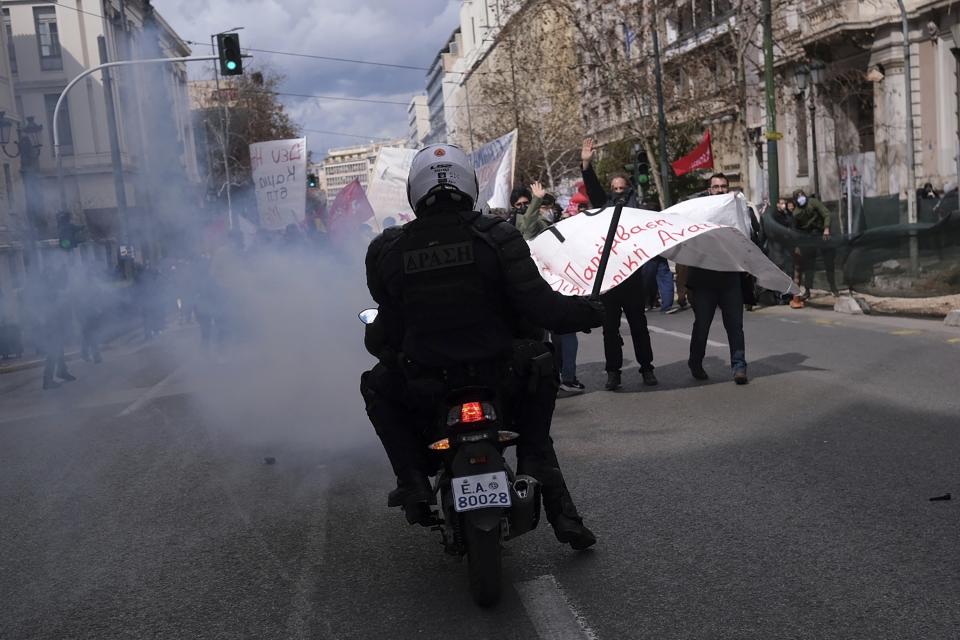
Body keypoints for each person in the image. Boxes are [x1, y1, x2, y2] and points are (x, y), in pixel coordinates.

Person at [362, 143, 604, 550]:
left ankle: (412, 482)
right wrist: (590, 312)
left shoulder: (389, 248)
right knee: (541, 373)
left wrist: (384, 347)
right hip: (499, 374)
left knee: (375, 385)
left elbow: (385, 322)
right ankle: (547, 491)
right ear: (469, 185)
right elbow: (541, 306)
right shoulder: (498, 235)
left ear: (415, 192)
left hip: (426, 383)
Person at [580, 138, 658, 389]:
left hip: (632, 278)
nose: (618, 191)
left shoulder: (639, 208)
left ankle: (647, 368)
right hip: (609, 280)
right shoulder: (605, 207)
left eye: (621, 187)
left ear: (629, 188)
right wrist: (586, 163)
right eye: (614, 188)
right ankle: (613, 372)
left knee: (639, 327)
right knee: (610, 330)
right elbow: (593, 190)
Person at [517, 181, 585, 396]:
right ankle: (547, 379)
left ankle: (568, 377)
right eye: (521, 204)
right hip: (539, 287)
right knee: (542, 338)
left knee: (565, 333)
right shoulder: (523, 222)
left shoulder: (552, 224)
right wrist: (535, 202)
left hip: (559, 284)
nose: (546, 209)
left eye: (547, 205)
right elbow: (527, 227)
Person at [686, 173, 749, 385]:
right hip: (704, 279)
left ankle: (739, 366)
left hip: (730, 277)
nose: (720, 190)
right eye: (716, 187)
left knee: (735, 325)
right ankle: (695, 362)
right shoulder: (699, 210)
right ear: (709, 189)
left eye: (723, 186)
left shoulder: (737, 210)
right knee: (702, 325)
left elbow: (749, 235)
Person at [792, 188, 839, 299]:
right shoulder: (796, 213)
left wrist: (826, 228)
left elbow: (826, 213)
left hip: (822, 234)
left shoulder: (813, 202)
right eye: (798, 196)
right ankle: (807, 290)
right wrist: (798, 244)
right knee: (809, 265)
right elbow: (796, 230)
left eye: (802, 195)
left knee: (829, 262)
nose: (801, 198)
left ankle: (833, 287)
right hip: (808, 237)